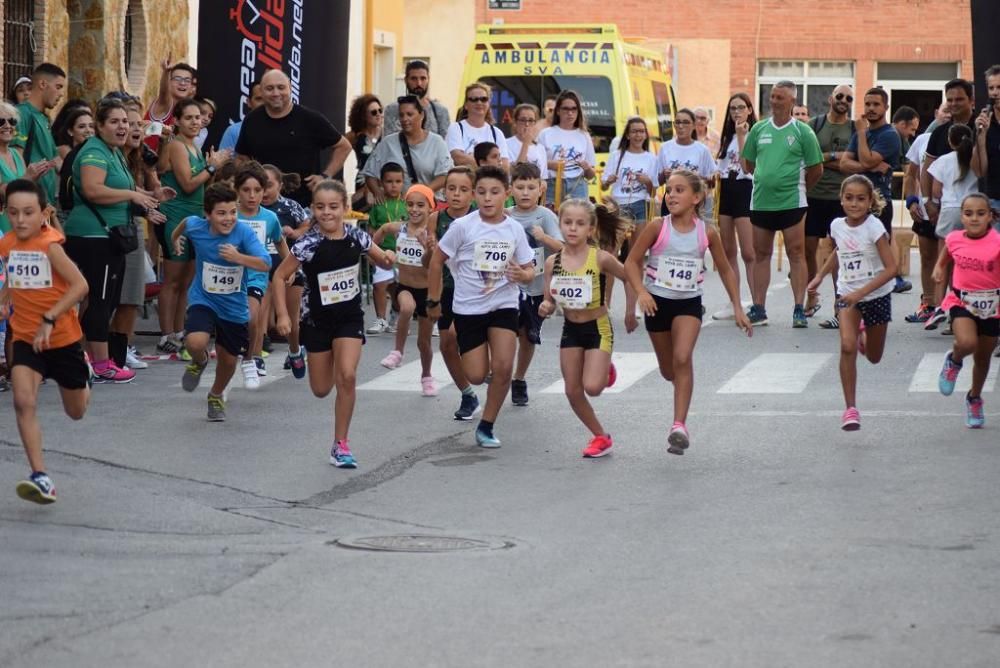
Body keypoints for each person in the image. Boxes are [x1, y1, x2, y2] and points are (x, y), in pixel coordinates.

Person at [625, 170, 751, 453]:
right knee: (669, 370)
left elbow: (727, 269)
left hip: (688, 303)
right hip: (657, 303)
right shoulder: (658, 227)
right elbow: (632, 262)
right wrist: (641, 294)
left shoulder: (707, 232)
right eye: (669, 190)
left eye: (679, 190)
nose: (671, 195)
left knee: (683, 357)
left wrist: (737, 306)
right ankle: (678, 392)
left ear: (696, 198)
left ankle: (679, 425)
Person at [272, 180, 396, 468]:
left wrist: (389, 258)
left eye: (333, 207)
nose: (327, 213)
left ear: (345, 208)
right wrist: (283, 315)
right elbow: (279, 276)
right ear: (313, 210)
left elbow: (383, 262)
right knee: (321, 388)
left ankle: (341, 444)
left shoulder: (357, 237)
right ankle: (303, 356)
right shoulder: (308, 243)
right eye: (320, 207)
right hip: (316, 320)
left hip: (349, 318)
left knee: (348, 376)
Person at [426, 165, 535, 448]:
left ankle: (486, 426)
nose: (488, 199)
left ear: (506, 195)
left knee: (502, 368)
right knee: (476, 374)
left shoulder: (514, 229)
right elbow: (437, 261)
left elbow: (529, 268)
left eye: (495, 192)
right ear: (475, 195)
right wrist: (434, 300)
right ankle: (475, 388)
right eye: (483, 192)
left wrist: (523, 276)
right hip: (468, 308)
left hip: (504, 305)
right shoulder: (462, 227)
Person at [1, 179, 90, 504]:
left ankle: (85, 378)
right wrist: (4, 297)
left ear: (43, 214)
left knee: (76, 411)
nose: (21, 220)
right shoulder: (8, 243)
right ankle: (41, 477)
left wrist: (50, 318)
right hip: (26, 337)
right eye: (13, 213)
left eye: (28, 212)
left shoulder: (50, 245)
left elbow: (80, 286)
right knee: (23, 402)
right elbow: (15, 275)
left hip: (63, 340)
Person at [64, 98, 161, 384]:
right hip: (94, 236)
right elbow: (93, 190)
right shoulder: (94, 151)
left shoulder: (113, 151)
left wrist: (147, 197)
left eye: (127, 122)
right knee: (99, 301)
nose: (123, 127)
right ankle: (102, 364)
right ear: (99, 126)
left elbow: (120, 188)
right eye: (116, 122)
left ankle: (92, 360)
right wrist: (132, 196)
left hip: (110, 236)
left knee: (105, 300)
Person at [538, 198, 635, 457]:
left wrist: (630, 312)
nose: (573, 228)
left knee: (593, 387)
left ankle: (603, 368)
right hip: (571, 329)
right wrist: (546, 307)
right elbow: (548, 299)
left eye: (580, 224)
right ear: (559, 225)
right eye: (567, 222)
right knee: (572, 390)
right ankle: (600, 436)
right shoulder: (552, 263)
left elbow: (630, 277)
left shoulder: (601, 258)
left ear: (590, 229)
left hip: (598, 327)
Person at [173, 183, 270, 421]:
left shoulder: (244, 233)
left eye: (232, 212)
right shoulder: (197, 226)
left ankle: (215, 395)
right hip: (203, 298)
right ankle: (200, 360)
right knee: (195, 342)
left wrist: (238, 257)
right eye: (221, 213)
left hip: (234, 306)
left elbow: (265, 263)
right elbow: (183, 225)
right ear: (207, 214)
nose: (229, 219)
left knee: (228, 361)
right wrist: (175, 241)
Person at [806, 175, 896, 431]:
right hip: (847, 294)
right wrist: (820, 276)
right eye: (849, 198)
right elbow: (839, 251)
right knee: (846, 346)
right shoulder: (836, 225)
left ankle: (865, 336)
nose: (854, 203)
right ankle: (850, 409)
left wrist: (861, 294)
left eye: (860, 199)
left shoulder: (874, 227)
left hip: (876, 295)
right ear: (841, 199)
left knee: (875, 357)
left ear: (870, 202)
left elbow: (891, 269)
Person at [741, 80, 824, 328]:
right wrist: (768, 178)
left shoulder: (802, 131)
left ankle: (799, 308)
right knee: (761, 255)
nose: (774, 101)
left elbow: (816, 169)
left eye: (780, 97)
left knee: (796, 254)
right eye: (773, 96)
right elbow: (749, 164)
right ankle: (759, 307)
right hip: (761, 203)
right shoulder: (758, 129)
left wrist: (799, 189)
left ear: (792, 101)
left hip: (792, 203)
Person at [156, 98, 231, 356]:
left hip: (194, 219)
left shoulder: (195, 147)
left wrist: (213, 168)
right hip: (176, 217)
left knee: (187, 280)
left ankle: (179, 331)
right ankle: (166, 334)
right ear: (176, 121)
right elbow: (188, 184)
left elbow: (202, 186)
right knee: (173, 280)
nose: (195, 121)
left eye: (198, 117)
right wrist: (213, 166)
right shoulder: (177, 146)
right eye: (188, 117)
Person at [236, 69, 352, 206]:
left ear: (290, 88)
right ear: (261, 91)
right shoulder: (252, 120)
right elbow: (242, 157)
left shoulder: (309, 119)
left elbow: (344, 146)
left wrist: (325, 176)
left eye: (281, 87)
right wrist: (249, 182)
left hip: (305, 205)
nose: (276, 93)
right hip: (263, 206)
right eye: (269, 88)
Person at [108, 105, 167, 371]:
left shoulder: (140, 157)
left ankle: (123, 349)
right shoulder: (111, 157)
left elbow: (151, 187)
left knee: (132, 294)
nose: (133, 129)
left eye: (137, 124)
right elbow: (121, 194)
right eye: (127, 124)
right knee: (114, 297)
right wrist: (144, 206)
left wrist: (154, 196)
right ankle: (107, 353)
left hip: (132, 230)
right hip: (114, 231)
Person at [935, 193, 999, 429]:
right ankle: (954, 360)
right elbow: (945, 257)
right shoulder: (954, 238)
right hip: (962, 301)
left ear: (990, 217)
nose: (974, 219)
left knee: (982, 359)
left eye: (980, 214)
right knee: (967, 342)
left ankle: (974, 398)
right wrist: (939, 270)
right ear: (961, 216)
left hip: (993, 306)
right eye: (968, 213)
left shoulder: (997, 243)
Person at [506, 162, 563, 406]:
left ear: (541, 188)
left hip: (537, 288)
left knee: (527, 337)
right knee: (504, 330)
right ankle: (498, 370)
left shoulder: (546, 216)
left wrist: (543, 237)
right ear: (511, 189)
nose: (526, 192)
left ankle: (519, 378)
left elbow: (563, 248)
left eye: (531, 187)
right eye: (520, 187)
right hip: (508, 286)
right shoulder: (505, 214)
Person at [373, 184, 438, 395]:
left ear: (430, 208)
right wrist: (376, 253)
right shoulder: (400, 228)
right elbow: (382, 230)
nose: (414, 209)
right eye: (410, 204)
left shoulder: (431, 234)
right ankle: (397, 352)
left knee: (424, 343)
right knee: (407, 308)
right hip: (405, 286)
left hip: (427, 292)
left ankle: (427, 375)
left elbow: (431, 264)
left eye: (420, 205)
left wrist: (429, 248)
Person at [428, 166, 481, 420]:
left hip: (477, 290)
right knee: (447, 343)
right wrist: (428, 249)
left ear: (473, 193)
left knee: (457, 336)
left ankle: (486, 365)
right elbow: (430, 263)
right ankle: (467, 393)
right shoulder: (436, 219)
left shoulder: (482, 216)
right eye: (451, 189)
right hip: (448, 289)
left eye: (463, 190)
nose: (456, 194)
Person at [840, 88, 904, 296]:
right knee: (855, 253)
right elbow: (844, 163)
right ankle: (851, 304)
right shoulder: (864, 133)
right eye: (867, 104)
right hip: (856, 202)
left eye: (876, 104)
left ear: (886, 107)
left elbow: (865, 160)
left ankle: (876, 301)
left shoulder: (889, 135)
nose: (871, 109)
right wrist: (868, 166)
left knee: (876, 257)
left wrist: (860, 135)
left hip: (879, 203)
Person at [922, 124, 980, 332]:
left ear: (950, 141)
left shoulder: (943, 161)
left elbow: (936, 191)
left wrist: (932, 205)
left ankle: (940, 306)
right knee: (963, 264)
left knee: (944, 261)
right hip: (971, 212)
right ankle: (962, 309)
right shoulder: (975, 159)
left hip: (948, 211)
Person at [804, 85, 854, 322]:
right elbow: (807, 158)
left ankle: (838, 303)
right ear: (830, 98)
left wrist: (825, 158)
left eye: (849, 98)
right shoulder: (814, 125)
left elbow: (854, 161)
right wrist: (838, 158)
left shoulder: (854, 128)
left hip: (840, 199)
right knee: (808, 250)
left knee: (838, 253)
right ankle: (812, 296)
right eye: (840, 96)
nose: (844, 100)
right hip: (813, 195)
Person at [235, 162, 286, 385]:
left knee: (254, 318)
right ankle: (237, 355)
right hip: (231, 276)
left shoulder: (270, 218)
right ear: (237, 191)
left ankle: (253, 358)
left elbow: (281, 244)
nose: (252, 195)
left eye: (257, 190)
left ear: (264, 191)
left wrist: (289, 269)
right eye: (246, 190)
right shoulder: (230, 214)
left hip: (257, 275)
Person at [261, 164, 310, 376]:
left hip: (288, 268)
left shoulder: (290, 207)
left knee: (291, 320)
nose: (263, 191)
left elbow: (308, 227)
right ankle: (255, 355)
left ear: (280, 185)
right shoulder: (251, 209)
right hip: (259, 269)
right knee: (258, 316)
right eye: (259, 186)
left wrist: (295, 232)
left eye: (269, 185)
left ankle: (294, 350)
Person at [713, 93, 757, 320]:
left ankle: (757, 303)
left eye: (741, 107)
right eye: (732, 109)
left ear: (750, 110)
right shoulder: (726, 137)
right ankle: (734, 301)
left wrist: (742, 136)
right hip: (726, 190)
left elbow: (748, 165)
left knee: (749, 252)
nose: (737, 112)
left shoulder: (755, 134)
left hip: (745, 189)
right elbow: (720, 165)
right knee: (728, 251)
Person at [364, 95, 452, 201]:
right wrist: (377, 193)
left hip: (429, 205)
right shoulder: (388, 143)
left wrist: (422, 193)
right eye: (401, 115)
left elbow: (445, 175)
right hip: (397, 209)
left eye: (410, 114)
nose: (405, 119)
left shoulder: (437, 142)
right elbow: (370, 173)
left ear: (422, 115)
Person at [903, 112, 939, 323]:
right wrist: (911, 200)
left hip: (951, 210)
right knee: (927, 258)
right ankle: (928, 303)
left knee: (952, 262)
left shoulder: (962, 135)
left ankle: (952, 307)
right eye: (944, 108)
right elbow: (911, 174)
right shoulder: (922, 140)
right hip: (925, 211)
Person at [12, 63, 65, 206]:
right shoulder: (22, 114)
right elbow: (15, 159)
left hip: (46, 204)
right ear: (42, 84)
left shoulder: (43, 118)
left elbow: (55, 160)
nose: (61, 94)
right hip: (28, 203)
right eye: (58, 87)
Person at [365, 162, 406, 334]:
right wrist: (372, 254)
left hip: (404, 256)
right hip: (382, 254)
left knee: (398, 288)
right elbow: (371, 230)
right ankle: (380, 319)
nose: (394, 185)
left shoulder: (408, 203)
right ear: (381, 183)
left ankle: (395, 317)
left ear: (403, 183)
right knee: (379, 285)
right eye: (389, 181)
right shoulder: (377, 206)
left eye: (398, 181)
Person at [656, 108, 717, 218]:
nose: (681, 126)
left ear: (693, 125)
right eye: (678, 122)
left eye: (685, 122)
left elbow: (713, 182)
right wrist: (664, 175)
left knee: (698, 235)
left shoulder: (702, 150)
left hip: (697, 202)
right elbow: (657, 182)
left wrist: (692, 176)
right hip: (672, 202)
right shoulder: (665, 148)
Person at [538, 90, 596, 204]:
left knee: (579, 220)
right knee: (553, 220)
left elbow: (591, 175)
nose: (570, 113)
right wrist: (550, 164)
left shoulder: (584, 135)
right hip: (552, 184)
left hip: (577, 185)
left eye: (574, 109)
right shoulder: (545, 134)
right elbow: (535, 164)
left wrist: (587, 168)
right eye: (566, 109)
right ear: (558, 111)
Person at [601, 117, 658, 226]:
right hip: (618, 205)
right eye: (634, 131)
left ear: (646, 135)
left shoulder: (652, 159)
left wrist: (648, 182)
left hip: (641, 205)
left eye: (641, 131)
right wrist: (608, 182)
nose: (638, 135)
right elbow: (603, 187)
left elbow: (653, 193)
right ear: (627, 135)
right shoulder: (616, 156)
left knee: (638, 242)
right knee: (620, 242)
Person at [447, 83, 511, 172]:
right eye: (474, 99)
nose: (479, 102)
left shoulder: (496, 133)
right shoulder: (456, 128)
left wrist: (473, 161)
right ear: (466, 105)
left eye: (483, 99)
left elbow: (505, 166)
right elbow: (458, 158)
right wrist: (491, 164)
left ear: (488, 104)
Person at [383, 59, 451, 139]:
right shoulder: (392, 109)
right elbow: (390, 143)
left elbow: (445, 144)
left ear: (428, 79)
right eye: (414, 79)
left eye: (423, 78)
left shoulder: (440, 111)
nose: (419, 83)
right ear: (406, 80)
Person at [144, 58, 196, 152]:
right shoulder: (165, 104)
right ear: (169, 82)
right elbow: (163, 93)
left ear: (192, 86)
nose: (182, 83)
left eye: (187, 80)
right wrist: (166, 72)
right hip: (144, 162)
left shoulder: (187, 111)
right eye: (177, 79)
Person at [343, 94, 383, 211]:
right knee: (364, 219)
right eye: (373, 112)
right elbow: (338, 152)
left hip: (384, 184)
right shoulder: (355, 136)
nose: (379, 115)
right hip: (362, 182)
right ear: (364, 116)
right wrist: (341, 182)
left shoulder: (387, 134)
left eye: (380, 110)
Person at [974, 65, 1000, 214]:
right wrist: (981, 138)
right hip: (994, 202)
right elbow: (979, 171)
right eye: (991, 88)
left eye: (999, 87)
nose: (995, 93)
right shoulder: (984, 122)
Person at [507, 103, 548, 179]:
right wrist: (525, 144)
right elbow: (515, 173)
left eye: (531, 120)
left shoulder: (540, 148)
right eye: (523, 120)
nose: (527, 124)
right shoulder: (506, 144)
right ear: (515, 122)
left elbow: (544, 177)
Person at [219, 82, 262, 153]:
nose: (263, 103)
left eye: (267, 99)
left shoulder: (283, 130)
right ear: (248, 102)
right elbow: (222, 163)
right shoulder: (233, 131)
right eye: (259, 99)